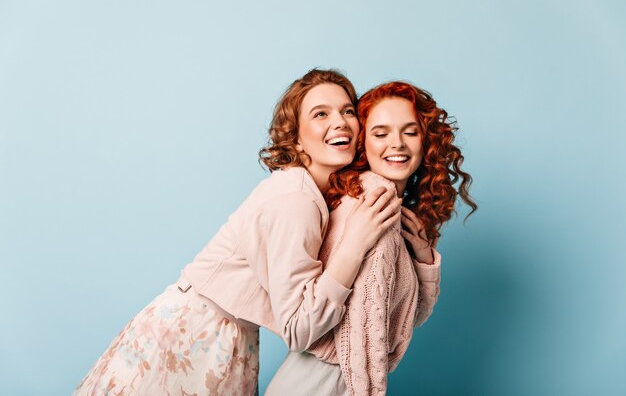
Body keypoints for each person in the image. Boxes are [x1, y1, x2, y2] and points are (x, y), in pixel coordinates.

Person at [72, 69, 402, 396]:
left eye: (347, 111)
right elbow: (300, 330)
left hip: (220, 335)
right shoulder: (297, 198)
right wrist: (355, 245)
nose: (340, 121)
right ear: (297, 140)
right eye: (320, 114)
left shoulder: (310, 194)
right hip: (196, 335)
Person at [266, 81, 477, 396]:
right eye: (380, 134)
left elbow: (408, 317)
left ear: (426, 140)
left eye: (410, 131)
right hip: (323, 384)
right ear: (362, 143)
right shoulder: (374, 198)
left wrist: (423, 258)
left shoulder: (386, 204)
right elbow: (363, 336)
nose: (397, 144)